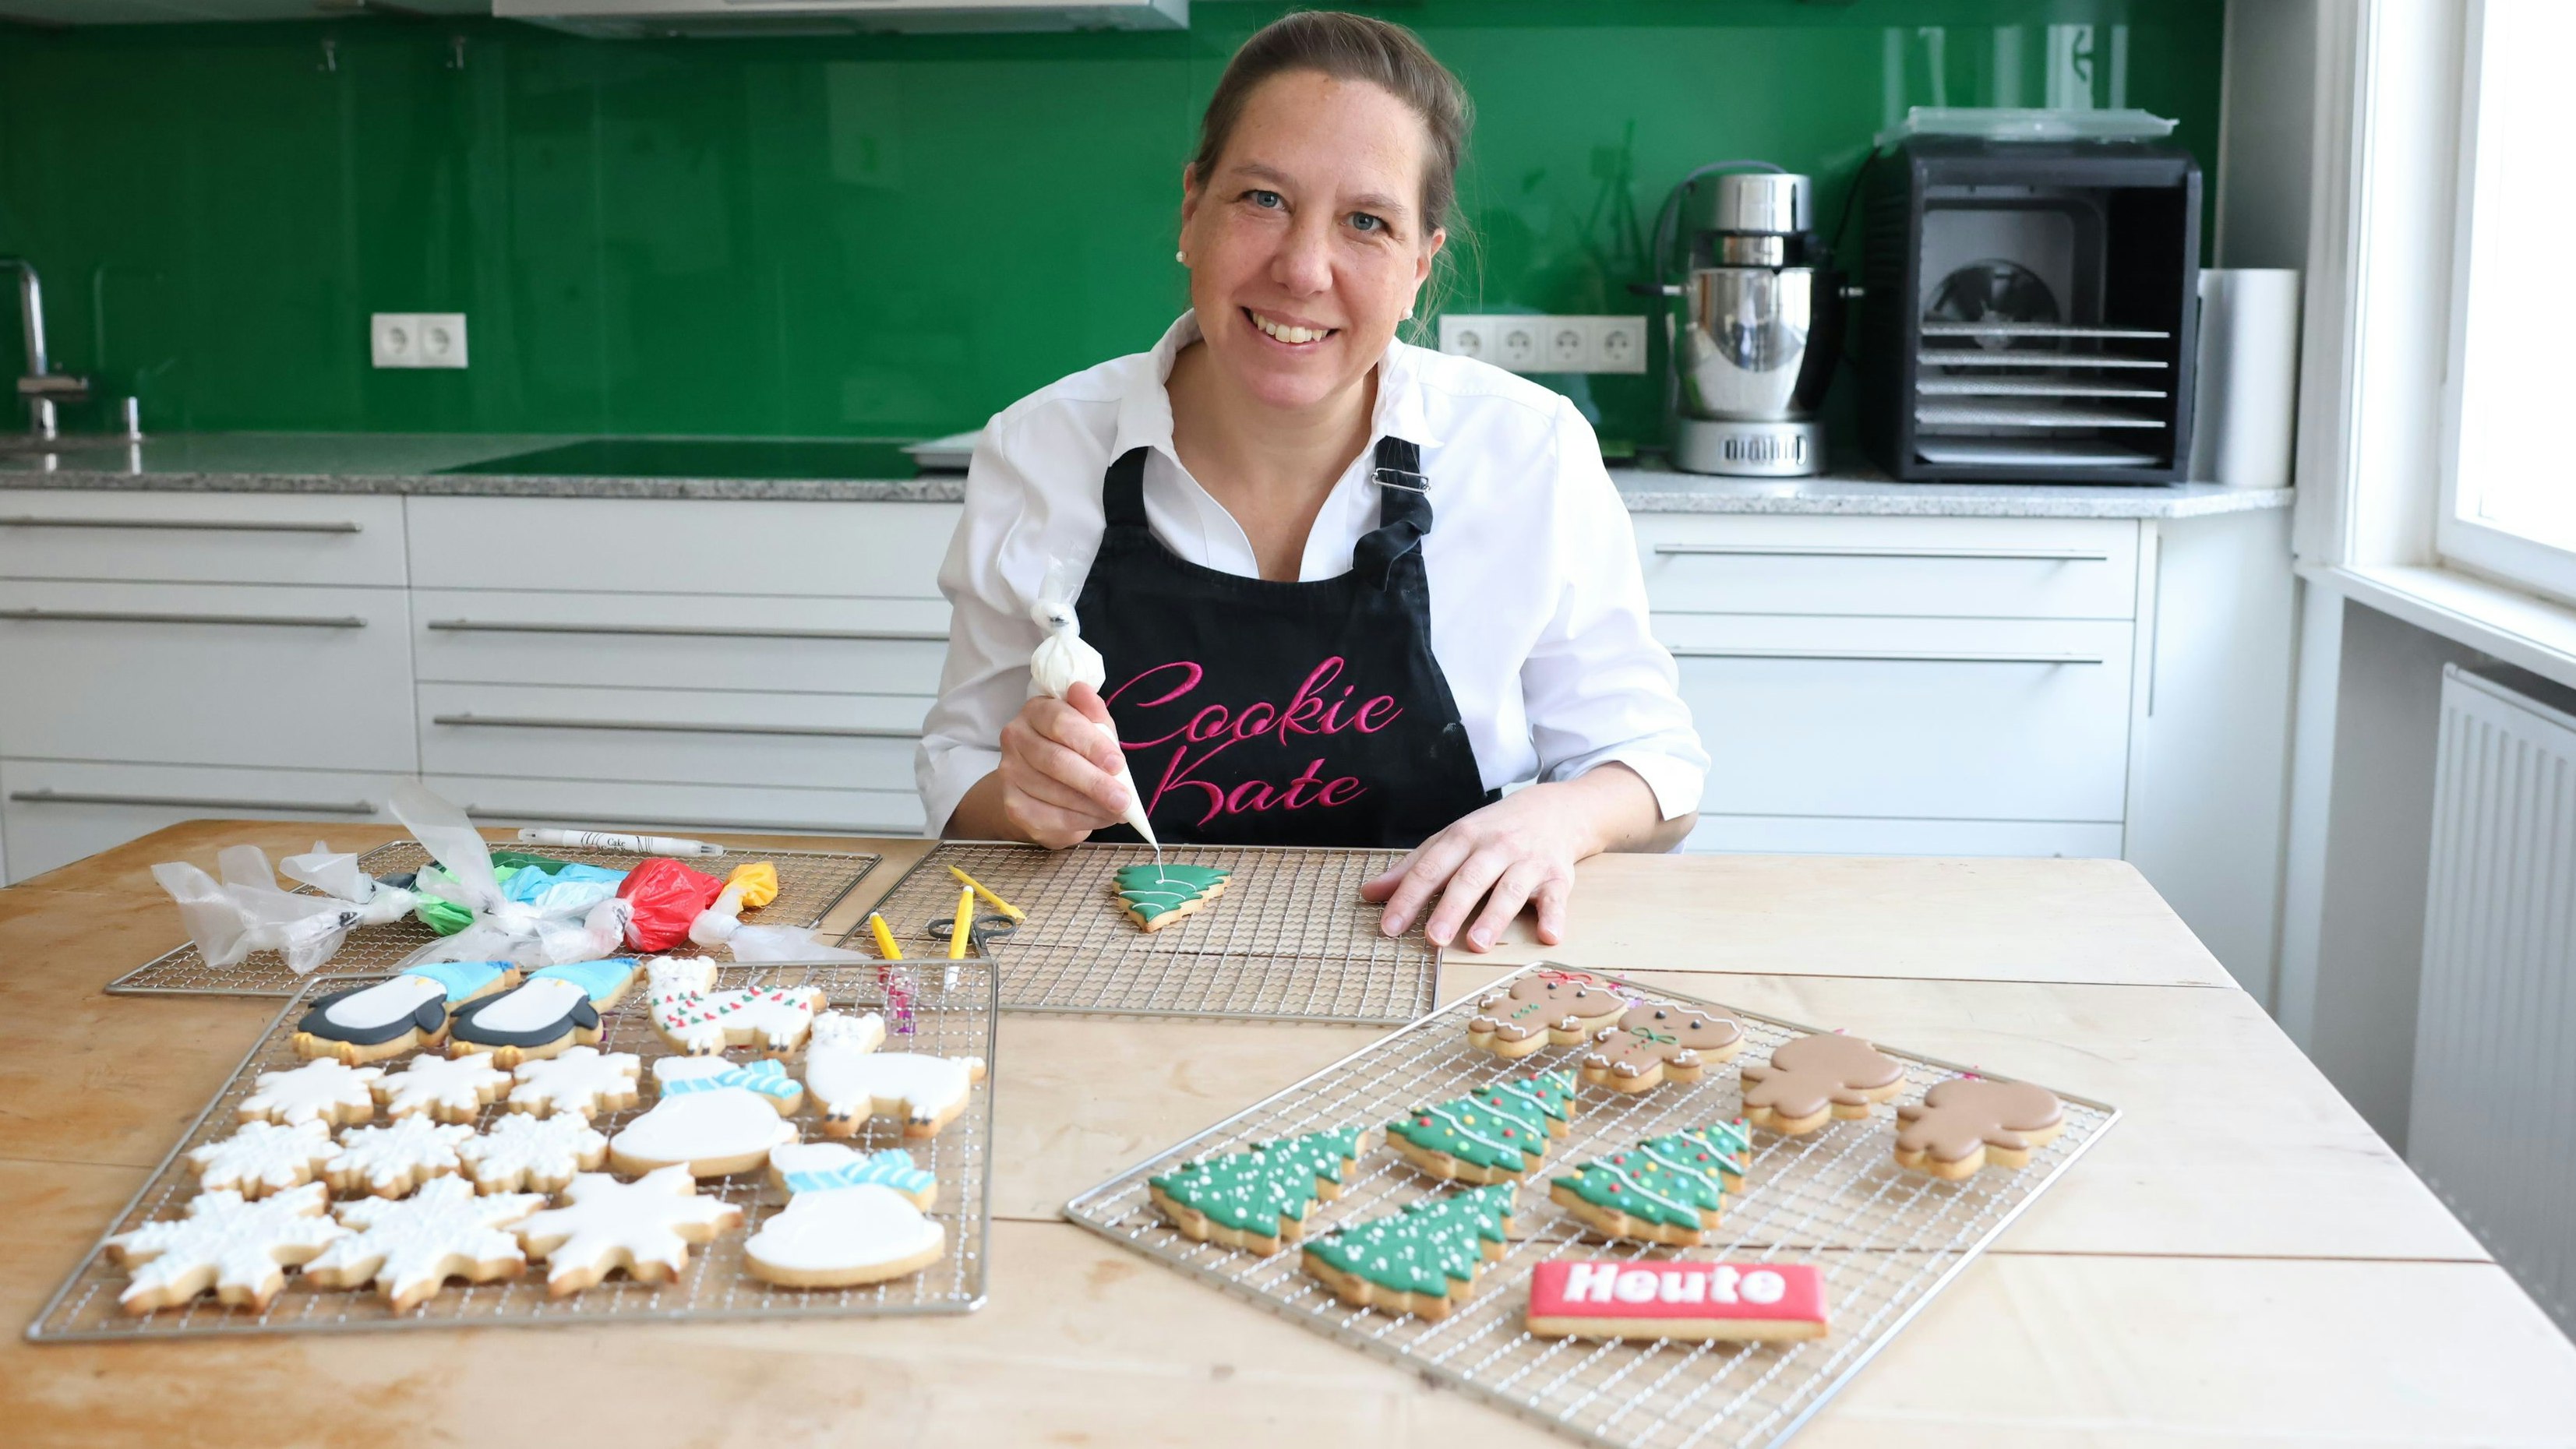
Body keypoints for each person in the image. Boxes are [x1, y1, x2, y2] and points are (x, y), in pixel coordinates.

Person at [916, 10, 1706, 954]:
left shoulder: (1527, 453)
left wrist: (1558, 822)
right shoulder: (1041, 451)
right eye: (1262, 199)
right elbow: (961, 775)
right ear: (1190, 211)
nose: (1301, 270)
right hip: (1110, 970)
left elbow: (1653, 769)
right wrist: (1019, 796)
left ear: (1420, 264)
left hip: (1442, 971)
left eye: (1366, 222)